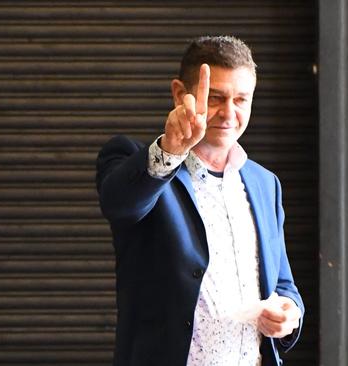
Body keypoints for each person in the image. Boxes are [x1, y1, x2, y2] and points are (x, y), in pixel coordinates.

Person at [96, 35, 304, 366]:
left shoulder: (265, 184)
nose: (229, 113)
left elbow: (283, 284)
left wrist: (289, 314)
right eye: (217, 97)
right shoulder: (138, 160)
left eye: (241, 99)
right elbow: (120, 204)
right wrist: (170, 151)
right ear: (180, 93)